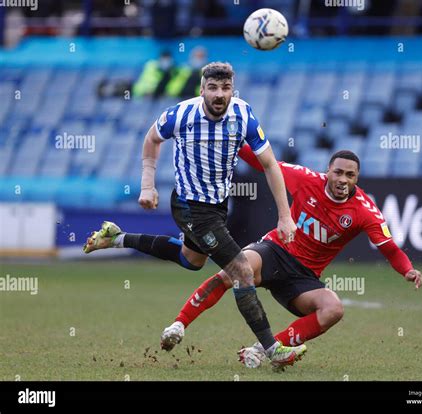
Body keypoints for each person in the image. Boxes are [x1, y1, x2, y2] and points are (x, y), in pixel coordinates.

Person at [83, 62, 306, 369]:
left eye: (225, 88)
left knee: (192, 260)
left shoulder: (244, 116)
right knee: (241, 271)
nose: (219, 95)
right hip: (189, 205)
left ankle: (116, 237)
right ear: (202, 89)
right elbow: (151, 139)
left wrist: (285, 216)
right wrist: (148, 185)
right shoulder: (181, 114)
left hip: (217, 206)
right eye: (212, 88)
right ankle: (272, 349)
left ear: (232, 90)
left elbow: (270, 165)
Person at [154, 144, 422, 368]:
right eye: (338, 172)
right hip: (276, 250)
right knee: (235, 271)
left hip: (303, 277)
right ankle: (179, 325)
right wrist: (235, 142)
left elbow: (390, 248)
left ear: (357, 178)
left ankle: (264, 349)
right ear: (327, 171)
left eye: (350, 175)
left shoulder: (364, 210)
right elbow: (263, 162)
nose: (343, 179)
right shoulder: (306, 179)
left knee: (333, 310)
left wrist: (407, 270)